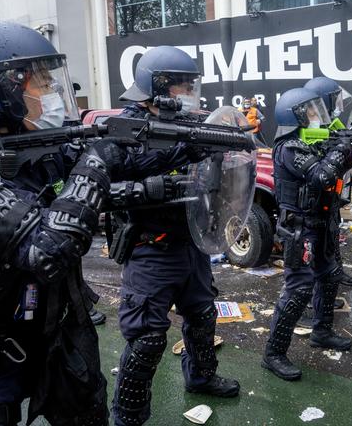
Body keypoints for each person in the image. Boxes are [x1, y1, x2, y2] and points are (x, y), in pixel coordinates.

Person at [0, 21, 114, 424]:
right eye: (41, 83)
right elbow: (47, 250)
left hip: (29, 334)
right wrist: (97, 162)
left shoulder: (19, 145)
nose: (51, 93)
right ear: (3, 89)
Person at [111, 46, 241, 425]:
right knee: (147, 338)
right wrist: (185, 150)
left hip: (192, 242)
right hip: (151, 246)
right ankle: (128, 416)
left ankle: (200, 377)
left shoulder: (191, 121)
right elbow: (126, 166)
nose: (188, 92)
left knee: (202, 316)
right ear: (156, 86)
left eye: (190, 84)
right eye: (180, 85)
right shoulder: (127, 125)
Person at [262, 88, 352, 381]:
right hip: (299, 227)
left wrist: (349, 147)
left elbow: (339, 169)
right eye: (312, 113)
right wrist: (341, 148)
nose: (319, 117)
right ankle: (273, 353)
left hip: (321, 221)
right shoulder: (289, 147)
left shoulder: (313, 142)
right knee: (299, 289)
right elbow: (322, 176)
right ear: (296, 117)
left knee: (330, 276)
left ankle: (322, 331)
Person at [304, 76, 352, 288]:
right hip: (314, 198)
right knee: (314, 247)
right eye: (334, 101)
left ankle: (336, 271)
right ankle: (314, 289)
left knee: (333, 233)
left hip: (332, 192)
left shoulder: (329, 124)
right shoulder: (307, 128)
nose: (338, 106)